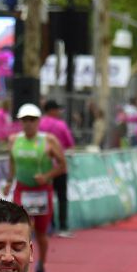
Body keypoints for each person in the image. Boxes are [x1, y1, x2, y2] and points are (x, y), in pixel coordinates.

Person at [7, 104, 67, 272]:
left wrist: (47, 176)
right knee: (20, 231)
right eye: (25, 120)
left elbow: (63, 166)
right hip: (22, 190)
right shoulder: (13, 140)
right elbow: (12, 161)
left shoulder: (49, 140)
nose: (28, 124)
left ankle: (41, 266)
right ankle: (22, 268)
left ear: (38, 121)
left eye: (32, 120)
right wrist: (9, 180)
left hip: (41, 192)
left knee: (41, 234)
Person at [38, 100, 75, 238]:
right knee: (61, 196)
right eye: (58, 109)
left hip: (42, 166)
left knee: (46, 196)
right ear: (52, 110)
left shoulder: (39, 124)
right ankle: (63, 226)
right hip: (59, 166)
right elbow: (70, 144)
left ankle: (49, 225)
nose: (59, 112)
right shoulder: (61, 125)